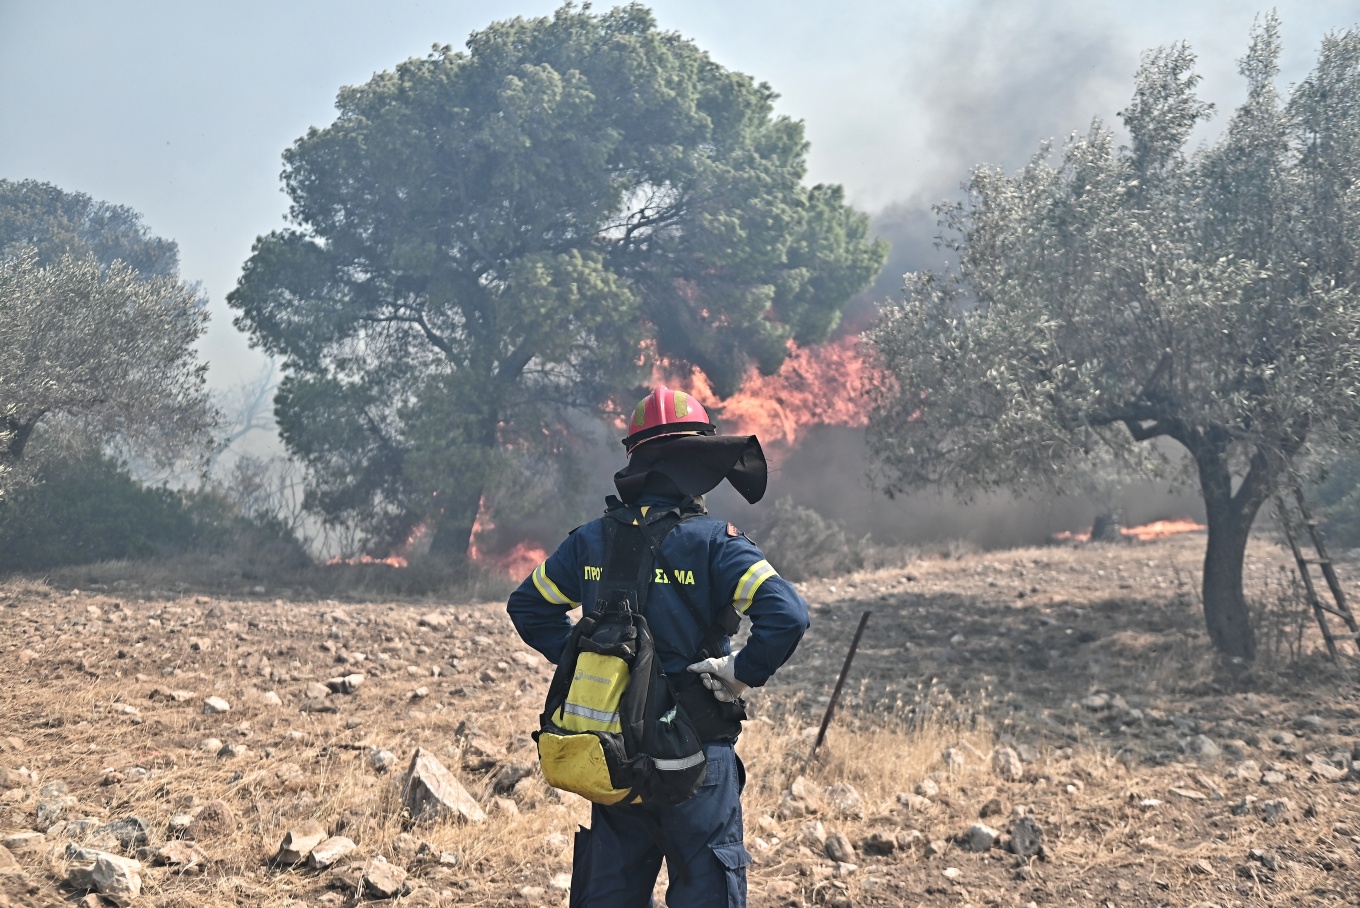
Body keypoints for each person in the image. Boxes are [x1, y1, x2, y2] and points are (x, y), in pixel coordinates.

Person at [507, 386, 810, 908]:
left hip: (614, 752)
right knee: (708, 891)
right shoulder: (715, 543)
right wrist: (740, 671)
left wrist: (585, 661)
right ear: (696, 465)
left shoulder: (589, 540)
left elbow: (529, 606)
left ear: (636, 462)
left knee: (610, 895)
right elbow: (787, 615)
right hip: (694, 755)